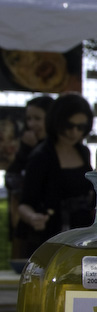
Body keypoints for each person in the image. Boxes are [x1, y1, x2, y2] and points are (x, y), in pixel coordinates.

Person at [17, 93, 96, 255]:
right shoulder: (41, 156)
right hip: (51, 238)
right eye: (69, 126)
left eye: (80, 127)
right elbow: (24, 203)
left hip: (81, 237)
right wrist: (33, 217)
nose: (74, 132)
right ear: (57, 122)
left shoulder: (83, 152)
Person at [7, 95, 54, 259]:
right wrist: (26, 150)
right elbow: (12, 181)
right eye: (29, 119)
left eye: (37, 119)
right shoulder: (27, 149)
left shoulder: (56, 150)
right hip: (27, 228)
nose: (31, 124)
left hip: (52, 228)